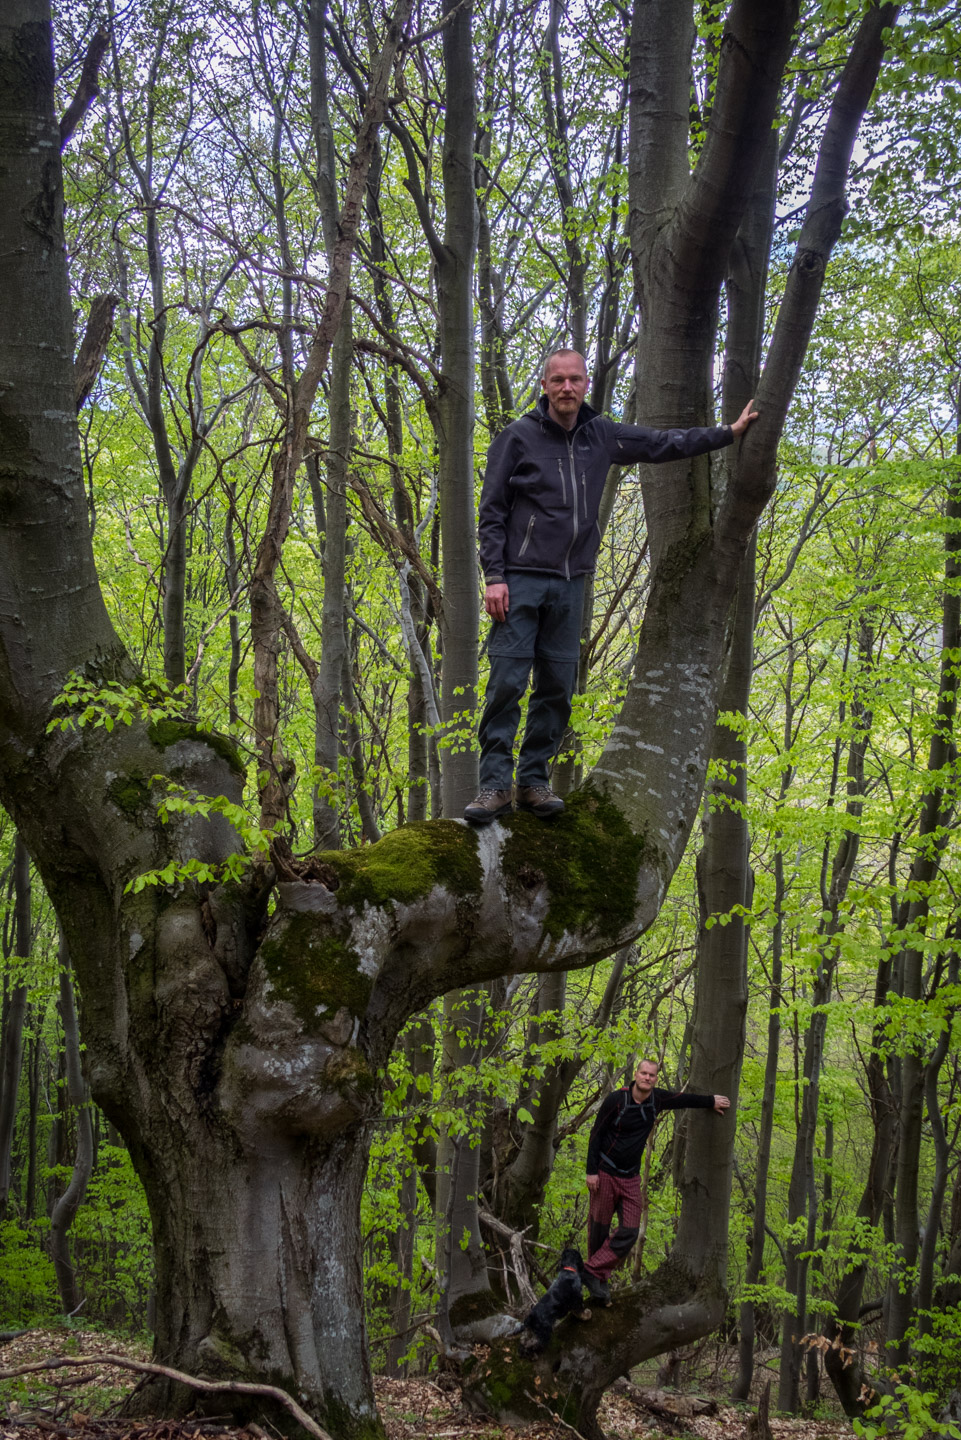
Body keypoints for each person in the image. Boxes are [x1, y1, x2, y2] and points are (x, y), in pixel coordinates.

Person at [464, 350, 758, 824]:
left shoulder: (602, 435)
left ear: (585, 385)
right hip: (519, 580)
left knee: (557, 687)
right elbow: (492, 513)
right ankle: (494, 785)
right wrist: (495, 577)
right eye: (557, 380)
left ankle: (532, 783)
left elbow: (663, 443)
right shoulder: (517, 437)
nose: (566, 388)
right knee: (507, 683)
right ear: (545, 385)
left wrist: (727, 434)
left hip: (572, 583)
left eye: (574, 379)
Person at [580, 1057, 730, 1304]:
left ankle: (590, 1271)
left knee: (629, 1230)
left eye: (652, 1075)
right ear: (636, 1075)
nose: (647, 1078)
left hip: (630, 1177)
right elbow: (596, 1134)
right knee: (599, 1229)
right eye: (644, 1073)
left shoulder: (656, 1099)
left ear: (655, 1078)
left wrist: (711, 1101)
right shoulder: (616, 1100)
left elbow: (683, 1100)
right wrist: (591, 1171)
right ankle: (598, 1284)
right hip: (605, 1171)